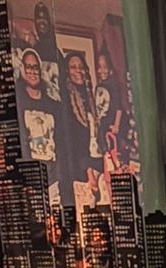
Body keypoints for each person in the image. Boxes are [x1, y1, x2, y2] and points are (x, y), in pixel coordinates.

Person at [59, 48, 102, 208]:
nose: (78, 70)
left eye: (80, 66)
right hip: (80, 167)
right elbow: (72, 139)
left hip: (96, 160)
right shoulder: (67, 100)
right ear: (67, 71)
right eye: (73, 67)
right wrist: (88, 171)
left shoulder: (91, 95)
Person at [15, 46, 60, 197]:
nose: (32, 71)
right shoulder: (18, 102)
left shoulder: (52, 104)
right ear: (22, 68)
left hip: (53, 179)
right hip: (29, 181)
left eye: (35, 67)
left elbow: (59, 141)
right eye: (28, 66)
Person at [95, 48, 123, 163]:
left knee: (113, 154)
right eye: (99, 66)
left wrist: (116, 125)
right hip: (102, 125)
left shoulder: (113, 86)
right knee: (104, 153)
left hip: (111, 125)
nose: (102, 70)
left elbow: (118, 107)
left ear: (110, 69)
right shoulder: (98, 86)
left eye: (105, 66)